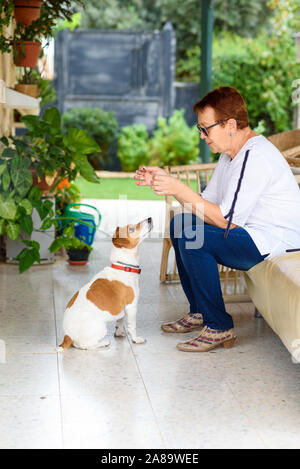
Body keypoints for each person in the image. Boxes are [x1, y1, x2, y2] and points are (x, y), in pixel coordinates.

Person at [134, 86, 300, 352]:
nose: (202, 136)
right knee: (181, 225)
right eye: (199, 129)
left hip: (275, 239)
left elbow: (225, 220)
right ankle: (199, 311)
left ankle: (219, 326)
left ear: (230, 125)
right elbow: (204, 206)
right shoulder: (230, 154)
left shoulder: (254, 156)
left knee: (194, 237)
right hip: (252, 232)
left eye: (206, 129)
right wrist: (166, 184)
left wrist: (178, 188)